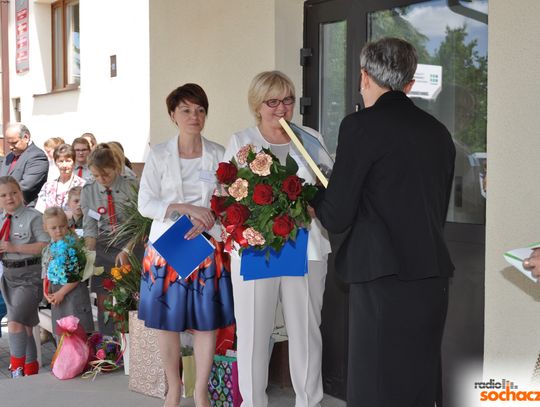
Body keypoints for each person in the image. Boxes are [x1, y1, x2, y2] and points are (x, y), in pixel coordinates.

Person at [310, 37, 456, 407]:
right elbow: (433, 209)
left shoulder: (360, 126)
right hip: (430, 274)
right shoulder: (438, 132)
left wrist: (314, 196)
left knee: (375, 385)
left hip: (381, 275)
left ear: (363, 77)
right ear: (409, 81)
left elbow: (338, 212)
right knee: (418, 381)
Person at [222, 71, 331, 407]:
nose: (282, 108)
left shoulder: (310, 137)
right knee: (254, 336)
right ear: (258, 105)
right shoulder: (242, 141)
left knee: (306, 334)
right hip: (256, 250)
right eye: (273, 101)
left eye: (288, 100)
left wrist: (317, 203)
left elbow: (330, 184)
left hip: (306, 247)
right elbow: (225, 196)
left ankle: (309, 403)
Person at [138, 83, 234, 407]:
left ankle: (202, 390)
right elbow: (145, 203)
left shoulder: (220, 154)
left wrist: (209, 220)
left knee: (206, 323)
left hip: (207, 247)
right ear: (173, 115)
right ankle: (173, 388)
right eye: (186, 110)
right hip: (167, 247)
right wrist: (183, 208)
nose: (194, 116)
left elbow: (229, 202)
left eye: (200, 110)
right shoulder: (159, 154)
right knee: (168, 322)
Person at [80, 146, 138, 335]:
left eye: (105, 174)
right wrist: (89, 254)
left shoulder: (131, 186)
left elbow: (141, 224)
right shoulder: (89, 190)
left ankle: (131, 343)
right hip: (103, 246)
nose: (101, 180)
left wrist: (128, 250)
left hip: (129, 245)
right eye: (96, 175)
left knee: (129, 296)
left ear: (116, 167)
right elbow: (89, 224)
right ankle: (109, 344)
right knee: (104, 296)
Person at [0, 176, 50, 377]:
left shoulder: (34, 217)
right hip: (9, 278)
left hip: (30, 277)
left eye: (13, 192)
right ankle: (31, 370)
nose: (9, 198)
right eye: (3, 195)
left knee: (14, 321)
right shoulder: (2, 219)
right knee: (26, 326)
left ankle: (16, 369)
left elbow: (45, 245)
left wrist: (15, 247)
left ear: (20, 193)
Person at [41, 207, 94, 334]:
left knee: (78, 335)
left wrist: (61, 293)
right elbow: (45, 273)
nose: (58, 231)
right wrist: (46, 292)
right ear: (45, 228)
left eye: (62, 226)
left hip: (73, 295)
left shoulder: (74, 247)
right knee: (63, 336)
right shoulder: (47, 249)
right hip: (57, 295)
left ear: (67, 225)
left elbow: (76, 276)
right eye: (53, 228)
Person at [0, 123, 49, 207]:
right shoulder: (9, 156)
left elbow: (26, 185)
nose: (11, 147)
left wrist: (3, 194)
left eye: (14, 143)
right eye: (9, 143)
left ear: (26, 138)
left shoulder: (37, 156)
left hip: (26, 209)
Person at [35, 144, 86, 213]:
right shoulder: (47, 186)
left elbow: (87, 211)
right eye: (61, 161)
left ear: (74, 162)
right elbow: (39, 211)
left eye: (68, 161)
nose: (64, 165)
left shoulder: (83, 185)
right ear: (56, 163)